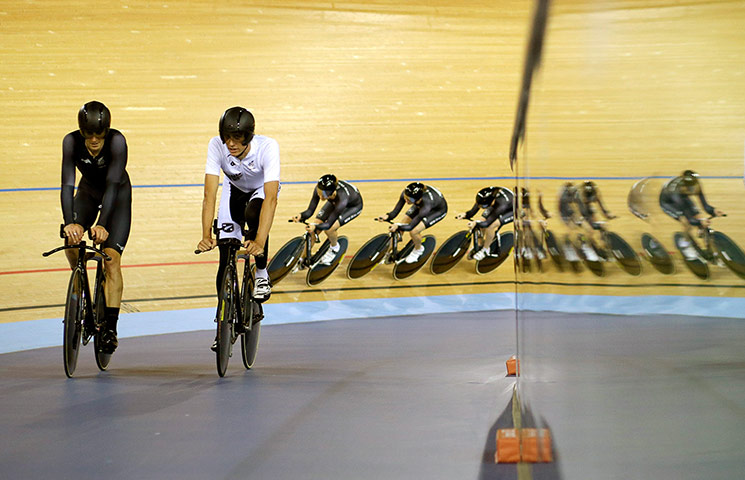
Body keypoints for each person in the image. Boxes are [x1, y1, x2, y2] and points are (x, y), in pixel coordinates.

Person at [60, 101, 131, 354]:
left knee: (111, 260)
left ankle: (110, 328)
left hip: (117, 196)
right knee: (71, 240)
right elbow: (68, 185)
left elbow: (112, 185)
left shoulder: (117, 142)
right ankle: (79, 281)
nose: (93, 140)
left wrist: (102, 225)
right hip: (88, 192)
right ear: (81, 132)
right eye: (88, 134)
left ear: (106, 132)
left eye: (98, 135)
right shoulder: (70, 142)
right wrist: (71, 222)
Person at [197, 106, 279, 309]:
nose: (231, 143)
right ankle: (222, 324)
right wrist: (206, 235)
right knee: (225, 256)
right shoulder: (217, 145)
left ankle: (261, 273)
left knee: (254, 213)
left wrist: (259, 241)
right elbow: (209, 195)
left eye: (237, 137)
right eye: (227, 137)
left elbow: (271, 199)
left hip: (260, 191)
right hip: (233, 190)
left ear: (248, 137)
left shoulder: (267, 147)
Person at [291, 174, 363, 265]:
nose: (320, 197)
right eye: (319, 192)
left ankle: (334, 247)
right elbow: (310, 211)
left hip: (352, 207)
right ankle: (301, 259)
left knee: (330, 230)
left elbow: (328, 224)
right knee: (313, 231)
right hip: (334, 202)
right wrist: (301, 215)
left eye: (324, 195)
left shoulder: (342, 199)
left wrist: (315, 226)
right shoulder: (320, 189)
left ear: (333, 193)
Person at [659, 169, 724, 259]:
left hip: (682, 196)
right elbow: (688, 218)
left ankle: (707, 243)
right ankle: (686, 244)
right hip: (669, 203)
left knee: (698, 215)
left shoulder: (695, 184)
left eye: (693, 187)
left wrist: (713, 210)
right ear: (683, 186)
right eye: (690, 188)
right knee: (686, 223)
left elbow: (705, 205)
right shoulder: (676, 193)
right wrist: (699, 222)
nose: (693, 190)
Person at [376, 182, 447, 263]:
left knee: (414, 232)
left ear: (419, 199)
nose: (406, 201)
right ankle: (387, 252)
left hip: (437, 211)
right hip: (420, 204)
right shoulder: (408, 194)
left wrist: (398, 226)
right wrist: (388, 216)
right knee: (403, 221)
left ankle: (418, 249)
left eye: (410, 200)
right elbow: (395, 212)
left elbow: (410, 227)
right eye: (406, 197)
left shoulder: (426, 206)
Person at [455, 186, 514, 260]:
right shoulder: (485, 197)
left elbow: (487, 223)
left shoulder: (501, 205)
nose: (482, 207)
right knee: (481, 220)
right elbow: (474, 210)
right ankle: (480, 244)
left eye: (484, 206)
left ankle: (485, 249)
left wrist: (475, 223)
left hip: (512, 211)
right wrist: (466, 214)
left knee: (491, 226)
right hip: (499, 204)